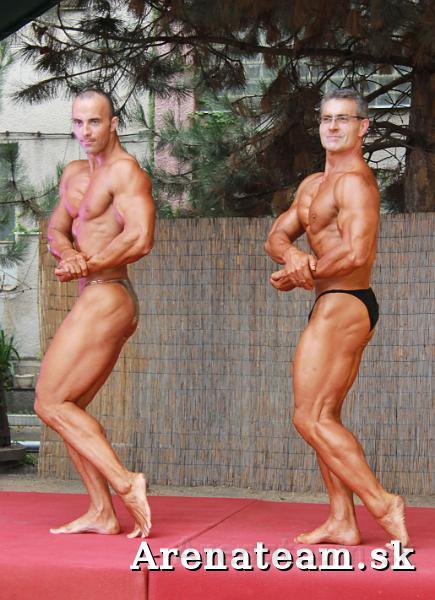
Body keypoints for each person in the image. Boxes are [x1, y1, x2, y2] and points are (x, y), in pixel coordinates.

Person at [264, 88, 409, 546]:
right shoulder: (313, 185)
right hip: (329, 298)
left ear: (363, 127)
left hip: (346, 299)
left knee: (309, 417)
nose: (332, 126)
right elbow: (276, 235)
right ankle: (343, 519)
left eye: (344, 118)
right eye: (327, 118)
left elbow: (356, 252)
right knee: (324, 415)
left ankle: (382, 503)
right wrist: (293, 257)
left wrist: (305, 272)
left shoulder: (355, 183)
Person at [34, 88, 156, 538]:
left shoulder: (126, 172)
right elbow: (56, 228)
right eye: (78, 122)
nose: (85, 131)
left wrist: (89, 263)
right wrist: (68, 254)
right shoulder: (74, 173)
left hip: (110, 294)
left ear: (113, 124)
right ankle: (102, 512)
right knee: (70, 407)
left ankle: (126, 483)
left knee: (49, 401)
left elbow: (140, 237)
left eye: (94, 122)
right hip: (92, 291)